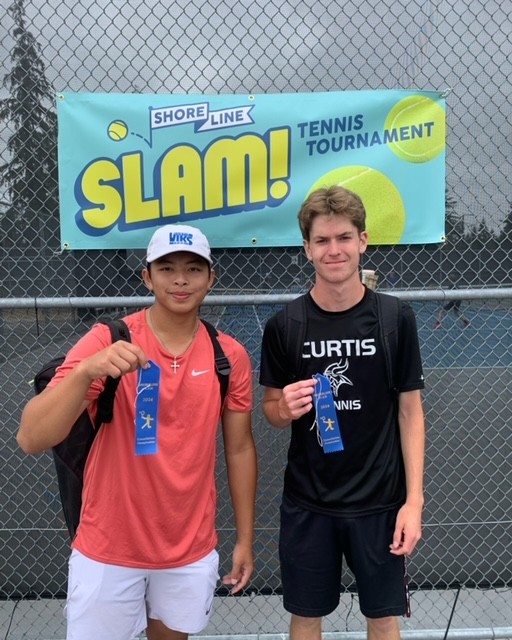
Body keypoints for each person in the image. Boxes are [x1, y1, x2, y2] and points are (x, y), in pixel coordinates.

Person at [17, 224, 258, 640]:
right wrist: (87, 373)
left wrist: (246, 540)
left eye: (193, 269)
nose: (180, 280)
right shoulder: (109, 339)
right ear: (147, 277)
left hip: (188, 549)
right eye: (166, 268)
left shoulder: (228, 355)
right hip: (108, 548)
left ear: (211, 278)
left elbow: (239, 449)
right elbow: (31, 437)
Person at [259, 186, 425, 640]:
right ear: (307, 249)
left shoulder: (394, 318)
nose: (335, 250)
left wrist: (414, 502)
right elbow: (271, 409)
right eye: (323, 240)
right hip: (308, 504)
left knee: (383, 617)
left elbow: (410, 413)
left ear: (363, 241)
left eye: (344, 238)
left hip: (380, 504)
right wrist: (283, 408)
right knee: (306, 617)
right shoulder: (286, 325)